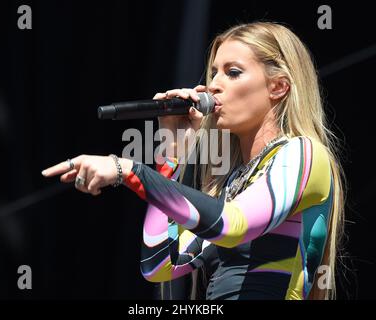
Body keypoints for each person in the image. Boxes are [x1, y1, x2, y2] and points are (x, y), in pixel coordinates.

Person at [42, 21, 346, 300]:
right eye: (214, 72)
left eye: (233, 72)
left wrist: (129, 170)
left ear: (278, 86)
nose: (214, 84)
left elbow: (233, 224)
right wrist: (172, 157)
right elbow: (160, 263)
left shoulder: (304, 154)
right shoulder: (233, 186)